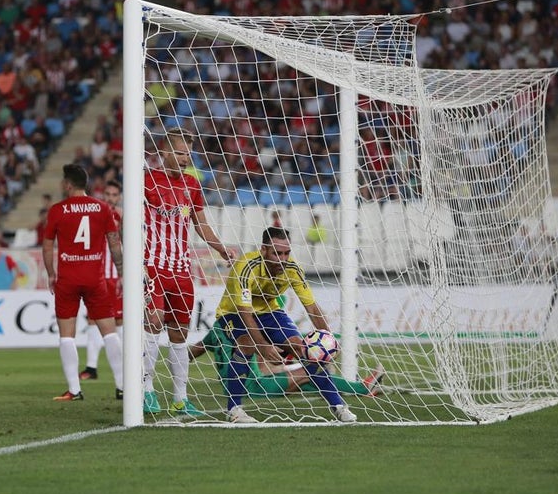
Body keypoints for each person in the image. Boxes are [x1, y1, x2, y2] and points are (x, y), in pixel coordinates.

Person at [212, 226, 377, 423]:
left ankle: (338, 406)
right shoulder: (246, 266)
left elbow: (312, 308)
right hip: (233, 312)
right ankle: (234, 410)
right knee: (247, 343)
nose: (282, 259)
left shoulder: (292, 269)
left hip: (269, 312)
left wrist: (328, 340)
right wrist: (263, 345)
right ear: (264, 250)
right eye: (277, 253)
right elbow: (245, 313)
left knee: (303, 348)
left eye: (286, 253)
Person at [143, 132, 235, 415]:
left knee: (180, 333)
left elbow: (201, 223)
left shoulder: (192, 185)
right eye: (181, 153)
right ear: (165, 152)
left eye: (188, 154)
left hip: (182, 270)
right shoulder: (145, 180)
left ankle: (181, 397)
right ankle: (146, 391)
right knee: (153, 323)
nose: (186, 159)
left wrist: (221, 248)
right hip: (153, 266)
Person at [42, 164, 124, 401]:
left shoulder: (57, 210)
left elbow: (48, 246)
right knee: (109, 332)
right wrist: (121, 273)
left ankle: (75, 390)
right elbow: (115, 244)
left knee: (67, 335)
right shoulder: (102, 209)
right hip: (95, 280)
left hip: (67, 280)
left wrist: (50, 273)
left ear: (68, 184)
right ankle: (121, 386)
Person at [189, 323, 381, 423]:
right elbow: (266, 366)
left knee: (307, 380)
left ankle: (361, 388)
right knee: (310, 370)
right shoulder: (249, 331)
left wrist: (177, 360)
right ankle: (360, 389)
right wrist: (282, 365)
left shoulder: (216, 329)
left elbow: (195, 351)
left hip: (231, 386)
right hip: (254, 386)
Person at [80, 180, 122, 382]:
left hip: (117, 277)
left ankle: (126, 366)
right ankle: (91, 367)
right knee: (92, 320)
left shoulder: (124, 216)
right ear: (103, 194)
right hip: (98, 276)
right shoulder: (95, 215)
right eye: (108, 194)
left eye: (114, 195)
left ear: (119, 197)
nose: (111, 198)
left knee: (120, 321)